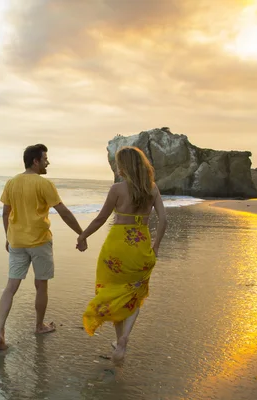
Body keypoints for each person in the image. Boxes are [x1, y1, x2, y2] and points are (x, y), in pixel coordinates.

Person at [76, 146, 167, 365]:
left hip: (116, 249)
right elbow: (164, 221)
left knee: (112, 292)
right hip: (141, 247)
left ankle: (119, 341)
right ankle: (123, 340)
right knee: (133, 295)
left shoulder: (117, 189)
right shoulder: (152, 189)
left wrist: (83, 236)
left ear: (124, 167)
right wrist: (155, 247)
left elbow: (100, 219)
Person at [0, 144, 87, 350]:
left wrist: (8, 237)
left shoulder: (11, 183)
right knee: (41, 284)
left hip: (17, 241)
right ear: (35, 161)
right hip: (39, 241)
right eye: (45, 158)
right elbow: (63, 211)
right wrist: (81, 233)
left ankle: (0, 330)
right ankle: (39, 325)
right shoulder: (44, 184)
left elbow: (5, 213)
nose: (48, 162)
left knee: (11, 286)